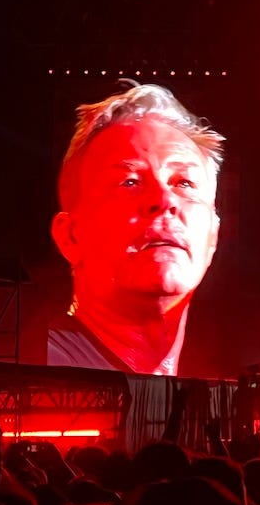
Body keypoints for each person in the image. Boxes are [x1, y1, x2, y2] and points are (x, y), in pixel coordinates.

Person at [48, 82, 223, 375]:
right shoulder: (18, 374)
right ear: (71, 236)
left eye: (184, 183)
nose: (164, 200)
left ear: (213, 236)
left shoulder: (229, 380)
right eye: (130, 182)